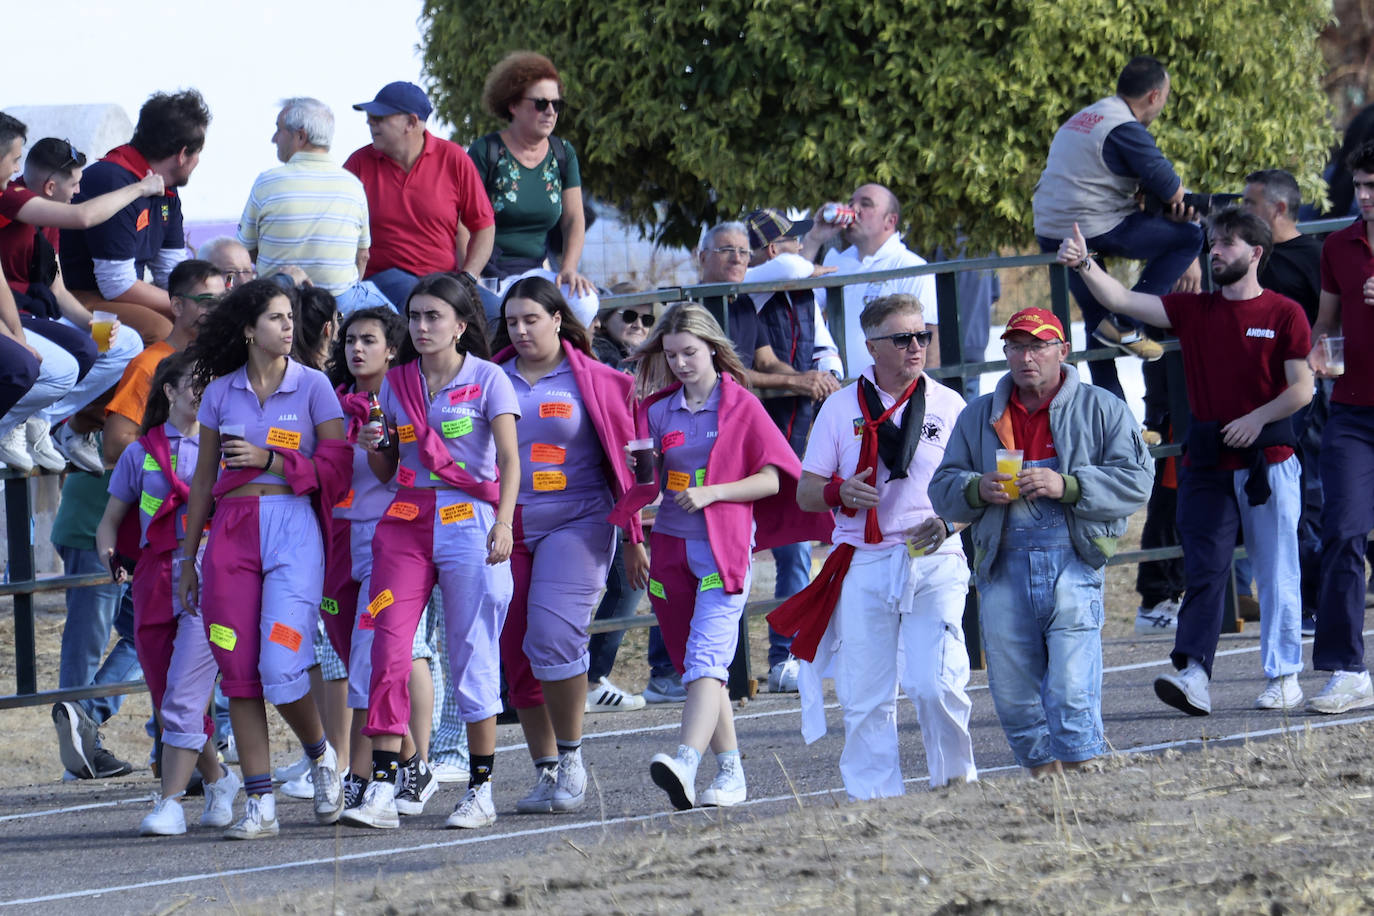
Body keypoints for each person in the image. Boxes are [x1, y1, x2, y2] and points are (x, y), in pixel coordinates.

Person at [1057, 209, 1312, 715]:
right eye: (1213, 243)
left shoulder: (1285, 313)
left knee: (1277, 568)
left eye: (1227, 245)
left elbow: (1302, 388)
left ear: (1256, 253)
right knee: (1205, 568)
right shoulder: (1194, 310)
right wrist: (1085, 264)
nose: (1214, 252)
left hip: (1269, 460)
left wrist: (1257, 420)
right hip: (1210, 461)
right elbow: (1123, 300)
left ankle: (1284, 676)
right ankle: (1193, 671)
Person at [609, 303, 830, 809]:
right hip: (669, 552)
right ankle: (731, 774)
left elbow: (775, 478)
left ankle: (685, 761)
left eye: (689, 352)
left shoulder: (741, 405)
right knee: (698, 668)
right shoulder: (658, 409)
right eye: (671, 355)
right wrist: (637, 510)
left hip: (724, 551)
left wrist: (714, 493)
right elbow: (646, 483)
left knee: (707, 660)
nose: (681, 363)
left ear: (712, 348)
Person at [770, 293, 979, 799]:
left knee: (938, 683)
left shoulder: (951, 404)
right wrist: (840, 490)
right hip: (863, 557)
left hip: (934, 556)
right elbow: (805, 491)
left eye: (922, 336)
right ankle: (875, 802)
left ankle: (956, 787)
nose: (916, 347)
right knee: (864, 694)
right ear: (871, 347)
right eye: (902, 338)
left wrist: (950, 523)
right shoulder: (841, 407)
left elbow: (977, 487)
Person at [931, 307, 1151, 774]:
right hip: (1002, 565)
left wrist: (1067, 485)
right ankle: (1046, 793)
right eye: (1016, 347)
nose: (1027, 356)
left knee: (1072, 690)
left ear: (1062, 351)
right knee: (1012, 696)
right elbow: (942, 488)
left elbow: (1137, 481)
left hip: (1074, 561)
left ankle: (1083, 785)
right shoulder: (978, 416)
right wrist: (976, 488)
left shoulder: (1103, 408)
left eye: (1039, 345)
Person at [178, 279, 352, 839]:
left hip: (293, 531)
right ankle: (260, 803)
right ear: (250, 329)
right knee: (237, 673)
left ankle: (321, 754)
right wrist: (188, 559)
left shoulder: (315, 386)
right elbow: (203, 482)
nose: (287, 327)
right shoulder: (219, 394)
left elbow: (337, 470)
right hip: (229, 537)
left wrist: (271, 459)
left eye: (290, 318)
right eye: (276, 318)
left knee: (280, 668)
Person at [353, 273, 518, 830]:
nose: (422, 328)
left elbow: (511, 462)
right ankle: (383, 784)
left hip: (470, 520)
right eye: (415, 317)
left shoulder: (490, 378)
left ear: (461, 325)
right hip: (405, 518)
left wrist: (504, 523)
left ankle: (480, 787)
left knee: (472, 650)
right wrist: (375, 445)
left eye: (434, 317)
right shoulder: (395, 383)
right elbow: (386, 466)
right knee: (387, 645)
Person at [484, 276, 645, 811]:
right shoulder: (488, 378)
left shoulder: (598, 380)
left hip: (578, 521)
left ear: (558, 319)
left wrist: (637, 534)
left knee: (553, 633)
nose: (522, 330)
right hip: (504, 526)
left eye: (532, 319)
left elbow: (632, 462)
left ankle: (573, 757)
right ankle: (546, 769)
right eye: (512, 322)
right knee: (517, 652)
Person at [95, 353, 242, 835]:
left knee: (182, 696)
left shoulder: (225, 447)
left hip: (210, 572)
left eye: (209, 382)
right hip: (154, 580)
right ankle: (220, 780)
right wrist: (110, 554)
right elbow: (111, 522)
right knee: (168, 698)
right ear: (169, 392)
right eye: (193, 383)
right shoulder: (140, 453)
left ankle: (170, 802)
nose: (203, 390)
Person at [322, 306, 442, 824]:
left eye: (369, 339)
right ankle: (413, 764)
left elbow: (401, 467)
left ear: (392, 348)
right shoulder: (328, 399)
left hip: (392, 537)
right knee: (357, 661)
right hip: (337, 538)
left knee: (380, 656)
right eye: (350, 339)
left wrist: (381, 439)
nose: (357, 349)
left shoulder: (404, 395)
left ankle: (368, 776)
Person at [696, 220, 828, 689]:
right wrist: (798, 381)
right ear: (703, 257)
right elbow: (733, 375)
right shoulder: (694, 310)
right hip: (708, 450)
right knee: (701, 556)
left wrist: (810, 376)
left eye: (742, 252)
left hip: (757, 439)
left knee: (793, 541)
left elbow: (763, 361)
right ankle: (683, 669)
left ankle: (783, 657)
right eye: (726, 250)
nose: (736, 259)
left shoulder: (744, 304)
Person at [1031, 55, 1203, 397]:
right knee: (1189, 236)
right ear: (1154, 96)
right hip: (1095, 226)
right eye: (1165, 98)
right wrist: (1183, 220)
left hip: (1053, 230)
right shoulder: (1125, 127)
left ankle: (1115, 422)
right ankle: (1129, 322)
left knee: (1098, 319)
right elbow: (1173, 191)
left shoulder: (1088, 115)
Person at [740, 208, 846, 691]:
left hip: (803, 423)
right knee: (774, 543)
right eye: (789, 240)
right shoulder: (760, 282)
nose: (799, 248)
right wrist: (815, 259)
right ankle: (779, 654)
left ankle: (792, 652)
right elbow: (791, 268)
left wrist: (829, 374)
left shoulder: (798, 285)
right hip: (767, 426)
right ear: (767, 251)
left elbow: (824, 347)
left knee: (798, 543)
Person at [1306, 140, 1374, 713]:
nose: (1366, 198)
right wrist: (1318, 355)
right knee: (1343, 533)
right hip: (1351, 412)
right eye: (1360, 187)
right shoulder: (1338, 246)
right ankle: (1346, 669)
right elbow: (1326, 322)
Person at [61, 89, 211, 346]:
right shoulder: (111, 180)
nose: (198, 161)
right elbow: (115, 285)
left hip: (116, 296)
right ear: (183, 154)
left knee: (206, 326)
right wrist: (190, 306)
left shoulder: (167, 188)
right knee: (163, 331)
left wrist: (206, 300)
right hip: (77, 297)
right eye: (198, 152)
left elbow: (170, 272)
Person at [1242, 169, 1324, 635]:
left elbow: (1331, 326)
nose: (1242, 213)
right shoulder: (1244, 257)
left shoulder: (1312, 258)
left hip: (1301, 398)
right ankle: (1256, 598)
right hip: (1248, 400)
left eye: (1251, 205)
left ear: (1277, 208)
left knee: (1307, 499)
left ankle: (1311, 605)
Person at [344, 82, 495, 308]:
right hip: (381, 280)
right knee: (424, 302)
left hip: (443, 282)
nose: (369, 122)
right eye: (370, 116)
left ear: (411, 122)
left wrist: (468, 277)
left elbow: (484, 226)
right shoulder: (358, 164)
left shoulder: (453, 158)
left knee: (499, 312)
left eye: (379, 117)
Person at [238, 97, 392, 315]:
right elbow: (362, 256)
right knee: (395, 324)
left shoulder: (267, 182)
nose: (274, 139)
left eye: (278, 130)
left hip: (280, 302)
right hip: (338, 306)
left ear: (300, 136)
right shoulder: (353, 186)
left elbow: (245, 250)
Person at [469, 52, 592, 295]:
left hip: (537, 271)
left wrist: (568, 268)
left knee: (584, 304)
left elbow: (573, 219)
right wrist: (469, 277)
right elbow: (462, 221)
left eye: (556, 104)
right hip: (487, 274)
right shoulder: (486, 151)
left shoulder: (563, 153)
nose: (550, 111)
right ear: (513, 105)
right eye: (540, 103)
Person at [801, 184, 941, 373]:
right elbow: (798, 303)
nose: (854, 210)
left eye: (866, 204)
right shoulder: (837, 261)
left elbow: (928, 337)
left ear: (890, 221)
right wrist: (813, 239)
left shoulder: (910, 265)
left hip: (892, 392)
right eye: (851, 204)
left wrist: (927, 394)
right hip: (842, 390)